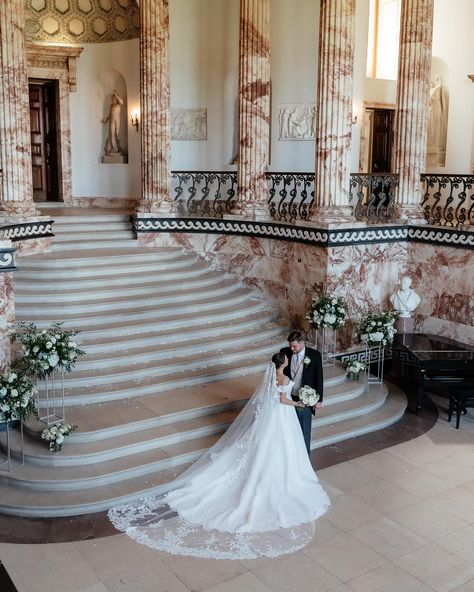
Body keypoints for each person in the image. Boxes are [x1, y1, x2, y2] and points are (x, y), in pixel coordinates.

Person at [108, 352, 330, 560]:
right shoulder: (283, 378)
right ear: (282, 364)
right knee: (281, 449)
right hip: (282, 416)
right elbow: (282, 400)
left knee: (267, 448)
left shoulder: (272, 377)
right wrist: (300, 402)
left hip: (272, 419)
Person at [280, 330, 324, 454]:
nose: (292, 348)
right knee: (288, 429)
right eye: (290, 345)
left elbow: (319, 378)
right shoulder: (284, 352)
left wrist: (319, 400)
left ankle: (305, 458)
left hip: (304, 398)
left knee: (304, 429)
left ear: (302, 343)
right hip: (287, 397)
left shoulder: (315, 355)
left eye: (294, 346)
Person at [102, 90, 124, 155]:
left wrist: (116, 95)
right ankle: (113, 148)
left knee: (116, 134)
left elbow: (122, 102)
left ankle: (119, 148)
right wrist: (106, 120)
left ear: (116, 99)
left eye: (114, 98)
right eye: (112, 98)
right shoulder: (111, 105)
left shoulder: (119, 104)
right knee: (111, 134)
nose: (113, 99)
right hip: (111, 121)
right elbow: (110, 114)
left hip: (117, 120)